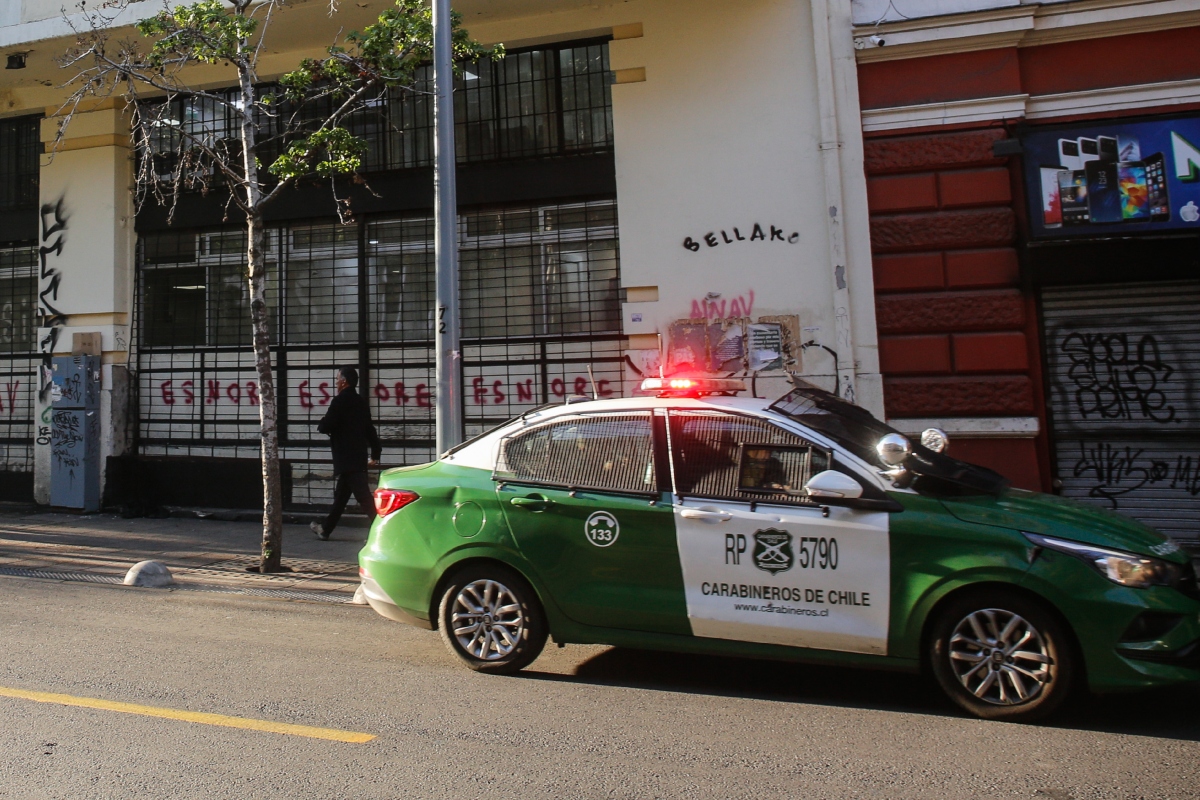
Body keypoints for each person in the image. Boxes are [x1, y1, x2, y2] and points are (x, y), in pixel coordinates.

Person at [310, 366, 382, 540]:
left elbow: (327, 425)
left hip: (345, 458)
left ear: (344, 381)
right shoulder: (361, 402)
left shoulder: (339, 401)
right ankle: (325, 529)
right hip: (357, 457)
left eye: (337, 379)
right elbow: (369, 430)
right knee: (341, 497)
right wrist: (375, 453)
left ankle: (384, 531)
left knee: (364, 498)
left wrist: (322, 424)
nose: (335, 382)